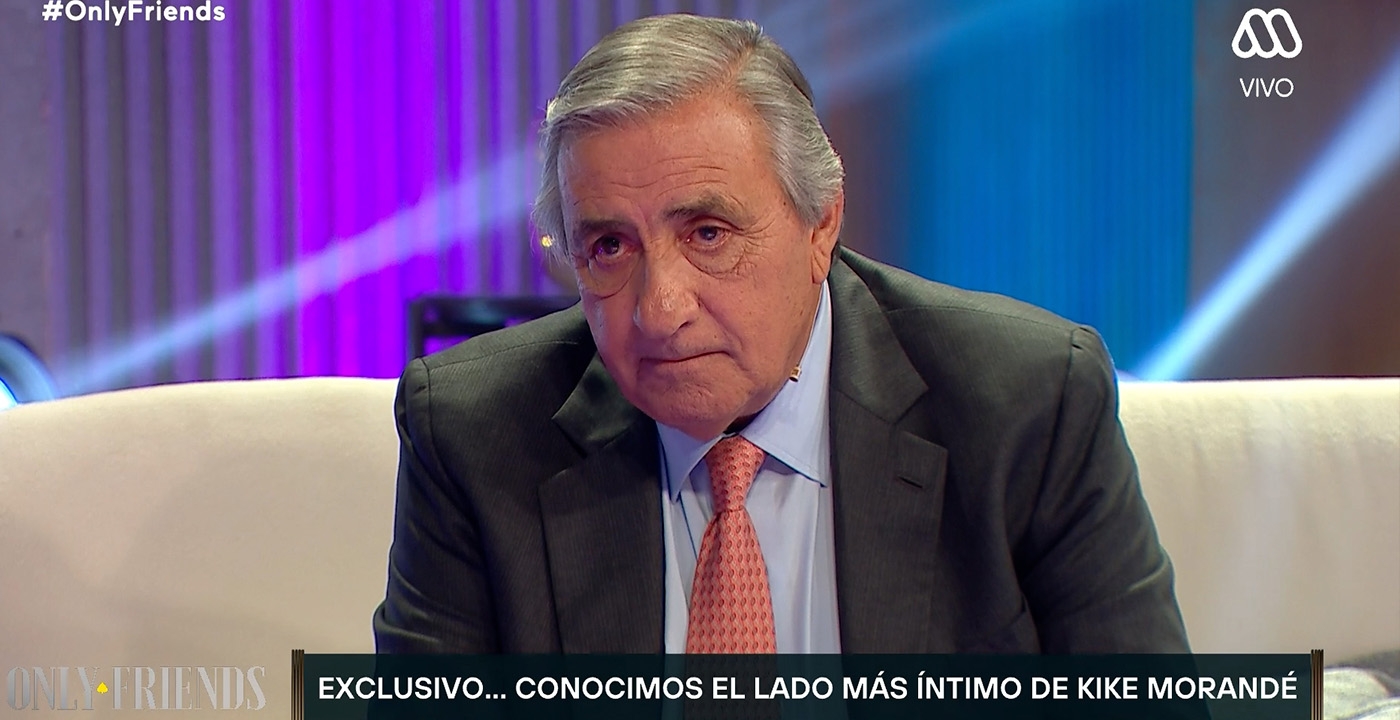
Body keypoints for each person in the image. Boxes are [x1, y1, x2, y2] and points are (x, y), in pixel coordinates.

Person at [373, 13, 1190, 654]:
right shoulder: (476, 434)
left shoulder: (1027, 404)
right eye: (610, 247)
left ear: (821, 222)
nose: (660, 309)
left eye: (708, 233)